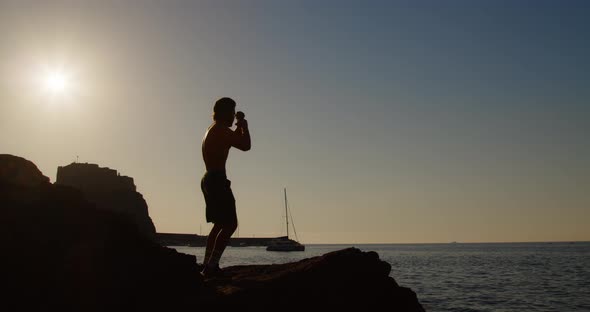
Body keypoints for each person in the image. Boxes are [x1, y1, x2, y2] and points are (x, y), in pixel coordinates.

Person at [200, 97, 251, 277]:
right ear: (225, 112)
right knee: (230, 224)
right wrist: (244, 125)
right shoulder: (221, 130)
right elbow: (245, 145)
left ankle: (207, 264)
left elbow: (233, 138)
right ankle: (212, 267)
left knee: (219, 224)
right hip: (217, 180)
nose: (233, 115)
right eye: (232, 111)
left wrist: (239, 126)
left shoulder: (212, 129)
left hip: (209, 178)